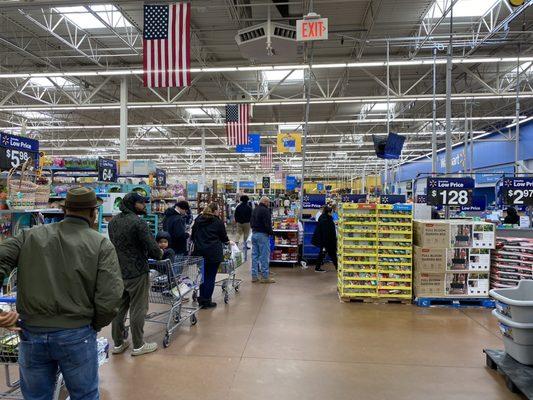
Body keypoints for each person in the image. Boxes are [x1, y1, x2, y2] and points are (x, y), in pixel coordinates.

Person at [0, 187, 123, 399]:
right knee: (84, 395)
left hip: (31, 332)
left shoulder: (28, 236)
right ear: (93, 213)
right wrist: (92, 324)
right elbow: (110, 298)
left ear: (64, 209)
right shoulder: (101, 244)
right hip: (77, 333)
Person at [108, 192, 162, 357]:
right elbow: (152, 246)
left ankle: (118, 343)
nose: (144, 205)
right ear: (133, 204)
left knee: (119, 308)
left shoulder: (113, 222)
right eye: (141, 203)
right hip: (137, 271)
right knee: (138, 307)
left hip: (118, 270)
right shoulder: (138, 223)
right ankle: (138, 345)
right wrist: (159, 253)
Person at [191, 202, 230, 308]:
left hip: (199, 252)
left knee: (203, 276)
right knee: (210, 277)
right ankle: (207, 300)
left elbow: (193, 235)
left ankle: (201, 298)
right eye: (218, 210)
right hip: (213, 253)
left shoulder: (198, 220)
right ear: (215, 211)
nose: (219, 212)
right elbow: (223, 237)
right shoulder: (217, 222)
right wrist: (227, 242)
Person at [250, 196, 275, 283]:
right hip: (263, 235)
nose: (269, 204)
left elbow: (251, 222)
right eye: (268, 203)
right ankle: (265, 277)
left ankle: (254, 276)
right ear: (265, 202)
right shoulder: (265, 211)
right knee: (264, 256)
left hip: (254, 234)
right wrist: (271, 233)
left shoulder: (255, 210)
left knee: (254, 256)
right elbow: (267, 224)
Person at [312, 205, 338, 273]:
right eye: (331, 212)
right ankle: (338, 268)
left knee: (324, 254)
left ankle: (317, 267)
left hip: (326, 241)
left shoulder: (324, 218)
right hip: (327, 241)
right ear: (328, 212)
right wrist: (325, 243)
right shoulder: (326, 220)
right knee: (332, 254)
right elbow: (326, 232)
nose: (332, 213)